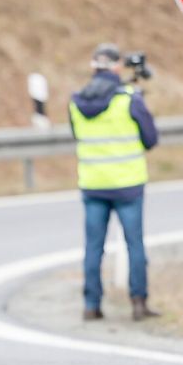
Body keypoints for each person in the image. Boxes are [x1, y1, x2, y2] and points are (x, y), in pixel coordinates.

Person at [69, 43, 160, 321]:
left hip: (93, 184)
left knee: (94, 247)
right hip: (128, 186)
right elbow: (151, 139)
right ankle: (138, 304)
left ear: (93, 67)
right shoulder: (130, 98)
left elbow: (77, 136)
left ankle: (91, 305)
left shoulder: (76, 101)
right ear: (117, 68)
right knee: (135, 244)